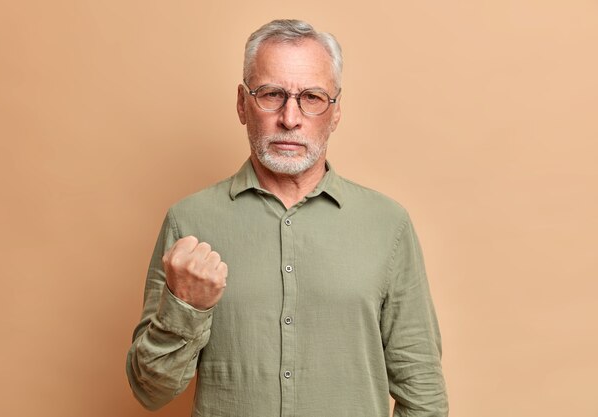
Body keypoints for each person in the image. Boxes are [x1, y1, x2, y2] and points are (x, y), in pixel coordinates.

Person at [126, 19, 448, 417]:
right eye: (271, 94)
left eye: (312, 97)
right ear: (242, 104)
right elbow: (150, 390)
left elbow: (424, 395)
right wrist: (186, 307)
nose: (290, 119)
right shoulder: (189, 221)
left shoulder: (388, 225)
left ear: (335, 112)